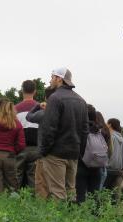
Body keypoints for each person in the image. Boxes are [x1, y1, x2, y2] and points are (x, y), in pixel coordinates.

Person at [37, 67, 88, 200]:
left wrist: (44, 151)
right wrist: (79, 152)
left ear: (59, 79)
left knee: (57, 192)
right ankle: (72, 219)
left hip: (56, 153)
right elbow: (85, 131)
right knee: (71, 191)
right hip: (74, 153)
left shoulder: (55, 98)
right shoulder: (81, 100)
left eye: (52, 77)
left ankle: (58, 221)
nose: (50, 80)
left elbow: (49, 128)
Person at [76, 105, 110, 203]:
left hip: (81, 166)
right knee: (95, 197)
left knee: (80, 197)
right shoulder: (100, 131)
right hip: (97, 167)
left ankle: (80, 217)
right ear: (94, 116)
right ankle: (96, 217)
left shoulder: (80, 129)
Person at [15, 80, 41, 189]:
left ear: (22, 91)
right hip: (36, 148)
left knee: (16, 176)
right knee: (34, 177)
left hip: (20, 148)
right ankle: (33, 202)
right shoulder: (40, 108)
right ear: (35, 91)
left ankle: (13, 201)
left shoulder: (15, 109)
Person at [104, 119, 123, 195]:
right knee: (117, 197)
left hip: (108, 168)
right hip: (119, 170)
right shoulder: (122, 139)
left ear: (110, 125)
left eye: (107, 123)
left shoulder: (110, 136)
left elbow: (106, 152)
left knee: (103, 194)